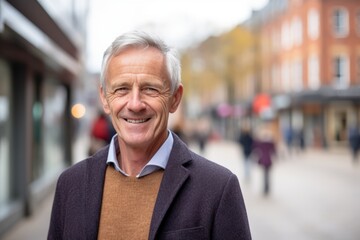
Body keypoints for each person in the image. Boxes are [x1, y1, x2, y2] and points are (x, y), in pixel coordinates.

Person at [48, 30, 251, 239]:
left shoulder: (218, 189)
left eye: (150, 89)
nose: (135, 104)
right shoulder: (70, 185)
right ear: (104, 98)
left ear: (175, 98)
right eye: (122, 89)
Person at [253, 127, 276, 196]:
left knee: (264, 175)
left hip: (263, 160)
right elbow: (274, 150)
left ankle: (265, 188)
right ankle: (267, 188)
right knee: (267, 175)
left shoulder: (261, 143)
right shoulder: (270, 143)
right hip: (269, 160)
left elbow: (255, 146)